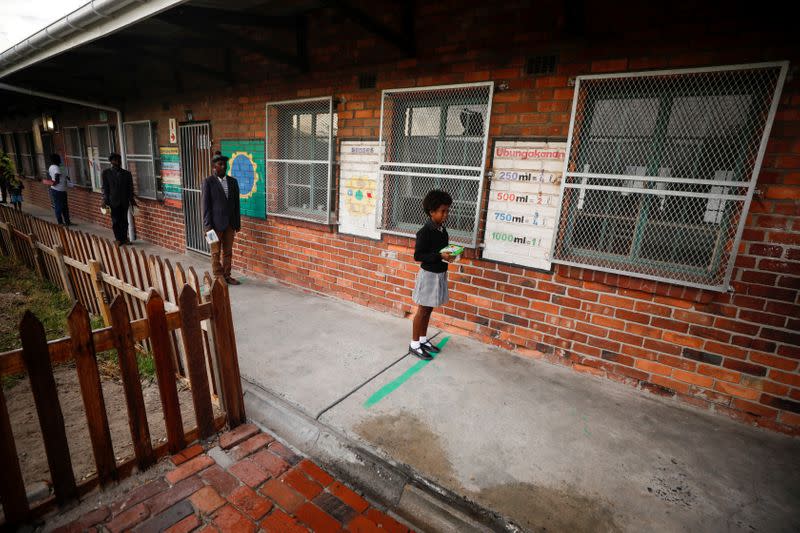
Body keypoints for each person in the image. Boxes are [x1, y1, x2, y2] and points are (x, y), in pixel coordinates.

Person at [409, 190, 456, 360]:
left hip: (439, 273)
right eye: (442, 211)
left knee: (429, 309)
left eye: (447, 210)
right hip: (428, 275)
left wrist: (449, 255)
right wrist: (439, 256)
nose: (446, 214)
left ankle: (422, 339)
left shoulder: (442, 231)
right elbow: (418, 256)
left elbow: (441, 251)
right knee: (422, 310)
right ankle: (414, 344)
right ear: (432, 212)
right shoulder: (424, 232)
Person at [202, 151, 241, 285]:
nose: (223, 166)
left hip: (230, 224)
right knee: (215, 252)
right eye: (220, 164)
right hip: (214, 226)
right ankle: (218, 278)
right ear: (214, 167)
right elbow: (205, 207)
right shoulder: (208, 182)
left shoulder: (233, 182)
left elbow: (236, 205)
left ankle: (227, 275)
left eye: (225, 164)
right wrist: (208, 227)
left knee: (228, 252)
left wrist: (237, 224)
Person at [101, 153, 136, 245]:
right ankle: (118, 239)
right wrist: (104, 200)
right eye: (115, 160)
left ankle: (124, 238)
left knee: (124, 221)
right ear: (111, 161)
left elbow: (130, 188)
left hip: (124, 201)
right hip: (113, 201)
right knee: (116, 221)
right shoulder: (106, 173)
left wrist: (132, 200)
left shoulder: (127, 174)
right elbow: (105, 188)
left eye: (118, 160)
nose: (117, 162)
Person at [48, 154, 72, 225]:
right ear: (56, 160)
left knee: (64, 207)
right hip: (58, 190)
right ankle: (60, 222)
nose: (60, 160)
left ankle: (67, 221)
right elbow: (56, 180)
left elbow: (64, 176)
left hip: (61, 190)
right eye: (59, 158)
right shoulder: (56, 168)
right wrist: (52, 183)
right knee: (59, 206)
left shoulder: (54, 167)